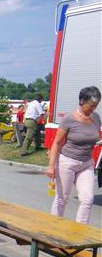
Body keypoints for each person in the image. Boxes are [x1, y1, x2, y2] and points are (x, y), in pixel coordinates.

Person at [47, 86, 101, 224]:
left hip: (86, 163)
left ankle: (79, 234)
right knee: (61, 198)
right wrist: (51, 166)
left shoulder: (96, 118)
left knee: (87, 199)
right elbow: (57, 143)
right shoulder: (69, 119)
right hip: (67, 162)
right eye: (91, 105)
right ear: (81, 101)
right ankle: (53, 231)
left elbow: (92, 136)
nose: (93, 109)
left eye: (96, 105)